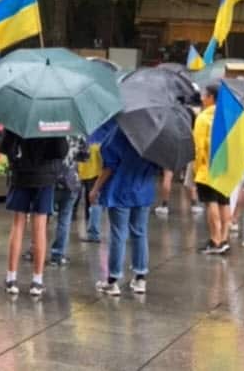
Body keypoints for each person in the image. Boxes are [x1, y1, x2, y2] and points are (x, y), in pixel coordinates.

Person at [90, 124, 162, 296]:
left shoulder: (119, 132)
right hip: (143, 190)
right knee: (140, 232)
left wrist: (95, 188)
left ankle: (113, 280)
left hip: (120, 189)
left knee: (118, 234)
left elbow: (110, 165)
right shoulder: (154, 135)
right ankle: (140, 278)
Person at [0, 130, 68, 297]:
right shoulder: (52, 119)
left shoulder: (18, 116)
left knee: (18, 224)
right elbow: (61, 150)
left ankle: (11, 278)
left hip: (21, 175)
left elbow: (4, 146)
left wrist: (14, 160)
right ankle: (37, 281)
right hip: (45, 178)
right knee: (40, 227)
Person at [193, 83, 231, 255]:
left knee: (211, 203)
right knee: (224, 202)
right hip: (226, 166)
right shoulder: (228, 115)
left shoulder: (203, 117)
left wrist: (197, 167)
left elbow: (199, 146)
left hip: (207, 167)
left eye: (204, 95)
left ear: (210, 98)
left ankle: (215, 240)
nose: (202, 98)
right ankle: (224, 238)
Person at [49, 136, 88, 265]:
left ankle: (35, 250)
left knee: (41, 218)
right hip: (71, 181)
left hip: (50, 180)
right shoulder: (78, 133)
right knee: (64, 220)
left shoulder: (49, 129)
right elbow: (85, 156)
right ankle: (58, 255)